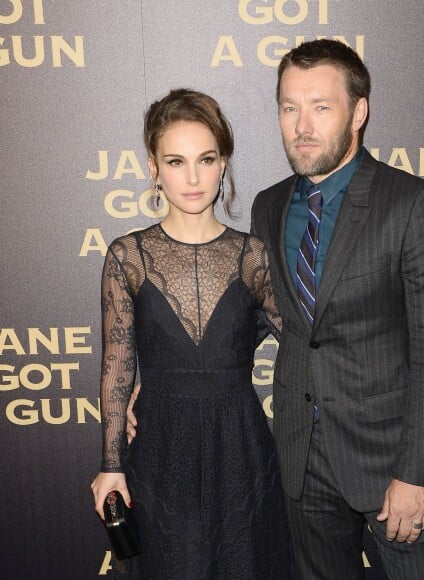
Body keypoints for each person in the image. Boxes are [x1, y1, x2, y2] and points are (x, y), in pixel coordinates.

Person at [249, 39, 424, 579]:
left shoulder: (414, 204)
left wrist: (419, 474)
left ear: (358, 111)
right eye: (289, 107)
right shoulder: (269, 205)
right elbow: (253, 320)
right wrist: (155, 380)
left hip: (392, 464)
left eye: (321, 107)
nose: (302, 125)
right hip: (302, 459)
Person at [91, 88, 294, 579]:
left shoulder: (254, 256)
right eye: (176, 161)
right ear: (154, 168)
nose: (193, 176)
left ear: (223, 163)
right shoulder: (127, 257)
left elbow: (299, 339)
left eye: (206, 159)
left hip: (240, 447)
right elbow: (117, 368)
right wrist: (111, 463)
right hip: (160, 447)